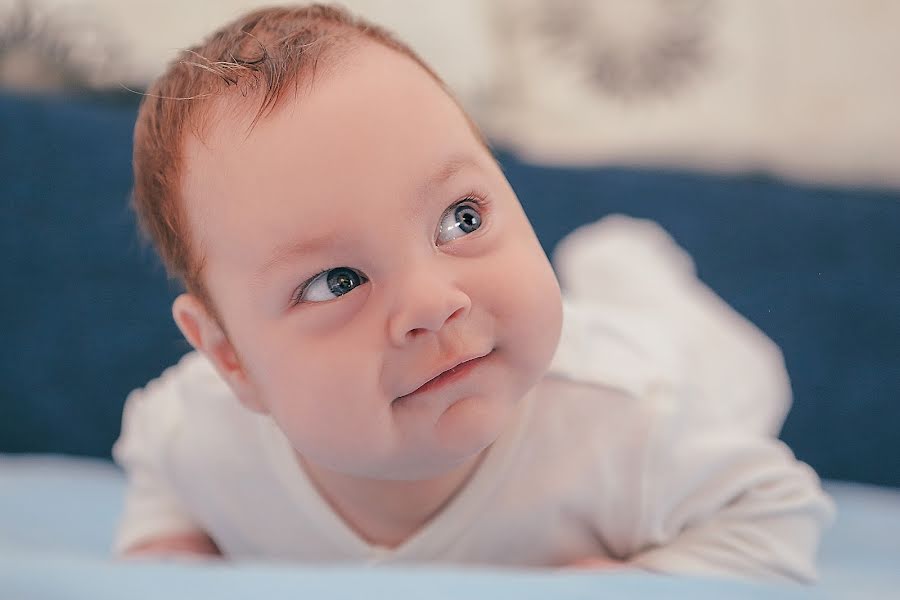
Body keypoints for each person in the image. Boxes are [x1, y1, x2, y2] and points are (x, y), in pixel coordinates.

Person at [113, 4, 834, 581]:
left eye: (462, 218)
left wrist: (647, 579)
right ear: (230, 359)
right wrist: (166, 538)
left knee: (741, 370)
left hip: (666, 361)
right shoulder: (202, 434)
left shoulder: (627, 427)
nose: (432, 302)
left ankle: (634, 274)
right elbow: (157, 449)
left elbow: (774, 510)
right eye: (337, 281)